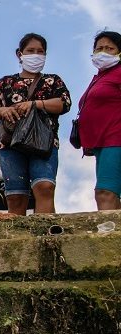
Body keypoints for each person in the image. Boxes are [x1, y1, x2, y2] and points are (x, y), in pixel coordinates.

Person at [0, 33, 72, 216]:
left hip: (44, 143)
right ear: (20, 54)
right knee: (15, 197)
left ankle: (46, 238)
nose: (36, 55)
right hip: (11, 145)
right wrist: (4, 110)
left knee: (45, 187)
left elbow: (64, 104)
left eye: (40, 51)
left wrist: (36, 104)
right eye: (30, 51)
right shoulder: (6, 82)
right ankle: (19, 242)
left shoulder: (53, 80)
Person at [77, 31, 121, 210]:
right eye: (99, 48)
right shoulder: (99, 77)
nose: (103, 52)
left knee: (105, 192)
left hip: (115, 139)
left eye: (109, 48)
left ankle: (109, 236)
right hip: (100, 144)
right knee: (111, 193)